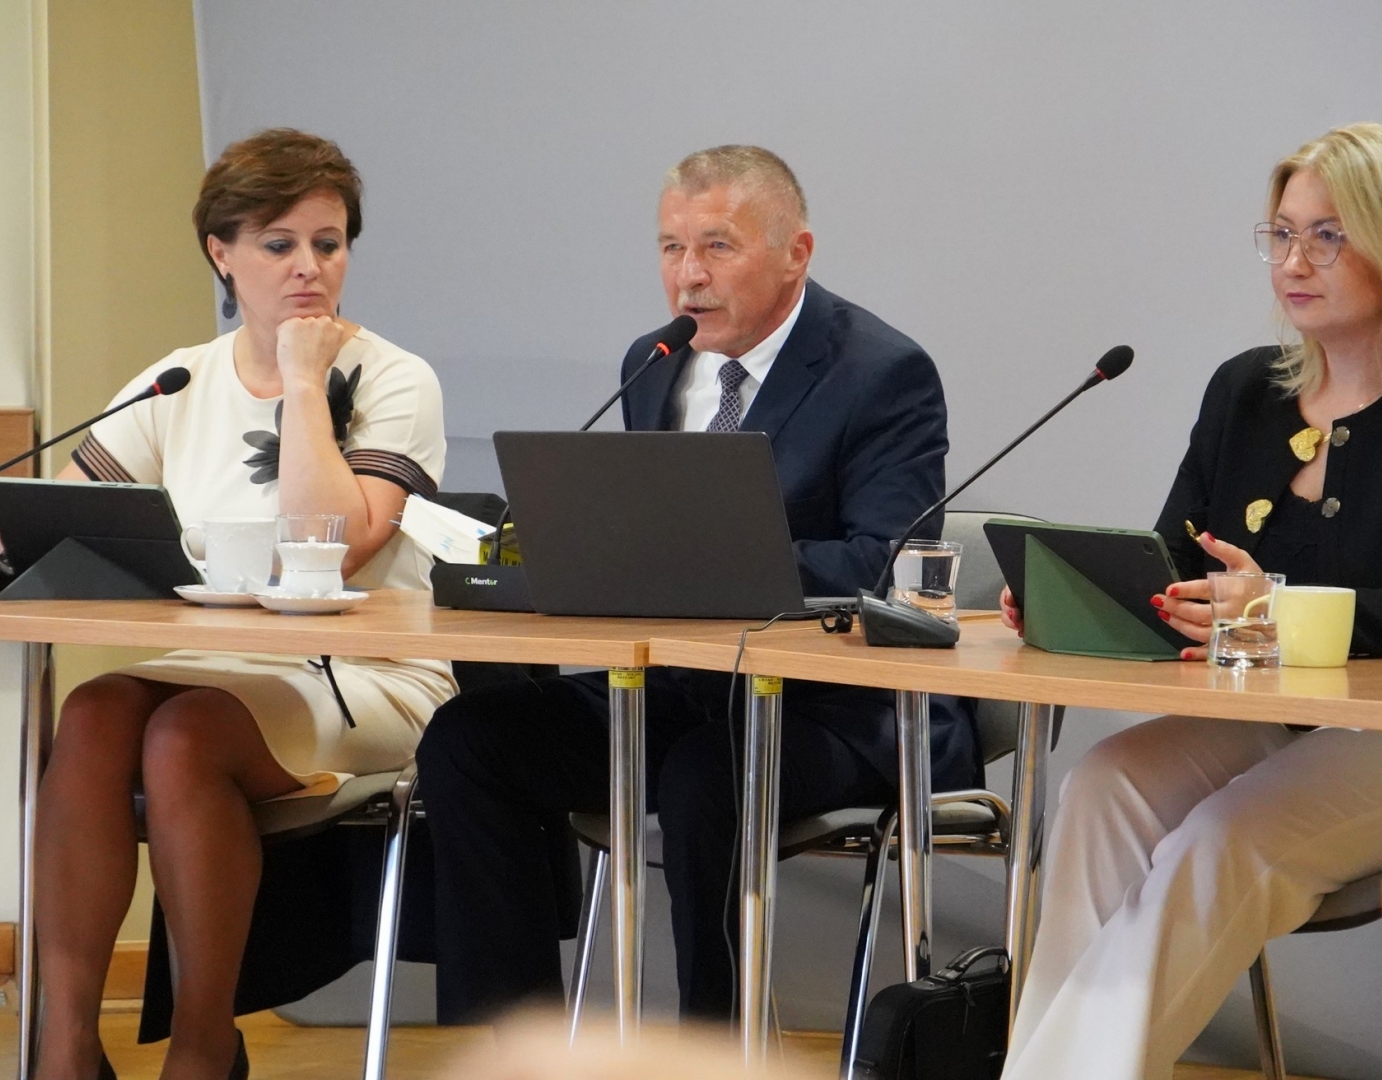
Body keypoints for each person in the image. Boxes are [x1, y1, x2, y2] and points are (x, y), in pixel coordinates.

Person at [997, 122, 1382, 1079]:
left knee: (1225, 835)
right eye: (1283, 234)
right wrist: (1080, 593)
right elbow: (1179, 561)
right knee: (1103, 786)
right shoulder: (1246, 391)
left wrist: (1276, 610)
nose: (1294, 262)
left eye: (1328, 236)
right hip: (1291, 727)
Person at [417, 145, 979, 1022]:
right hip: (680, 692)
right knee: (471, 740)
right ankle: (513, 1039)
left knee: (703, 778)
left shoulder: (880, 372)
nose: (689, 276)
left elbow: (886, 560)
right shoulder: (655, 361)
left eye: (718, 246)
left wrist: (721, 563)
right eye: (671, 248)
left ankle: (714, 1047)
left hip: (835, 709)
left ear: (795, 252)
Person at [0, 129, 452, 1080]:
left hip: (366, 675)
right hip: (215, 670)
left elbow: (336, 542)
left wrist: (303, 383)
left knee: (184, 735)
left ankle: (202, 1046)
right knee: (94, 712)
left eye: (329, 243)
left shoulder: (395, 378)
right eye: (278, 244)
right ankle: (65, 1050)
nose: (309, 267)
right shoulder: (178, 378)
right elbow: (71, 518)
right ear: (222, 254)